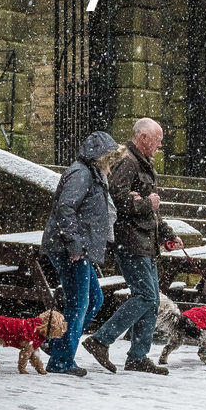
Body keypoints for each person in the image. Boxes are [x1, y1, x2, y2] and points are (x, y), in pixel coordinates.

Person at [83, 116, 182, 375]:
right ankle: (100, 340)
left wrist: (167, 233)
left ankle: (138, 356)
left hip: (146, 241)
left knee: (150, 300)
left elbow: (151, 209)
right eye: (158, 140)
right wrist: (145, 203)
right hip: (131, 241)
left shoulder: (142, 162)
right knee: (147, 296)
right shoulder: (127, 161)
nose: (160, 146)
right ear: (143, 137)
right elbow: (115, 202)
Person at [41, 130, 120, 377]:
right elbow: (65, 208)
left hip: (79, 249)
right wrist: (74, 246)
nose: (112, 162)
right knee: (79, 303)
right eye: (110, 156)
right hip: (71, 250)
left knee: (94, 300)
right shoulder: (81, 173)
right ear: (99, 155)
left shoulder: (92, 174)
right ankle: (61, 360)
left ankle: (56, 345)